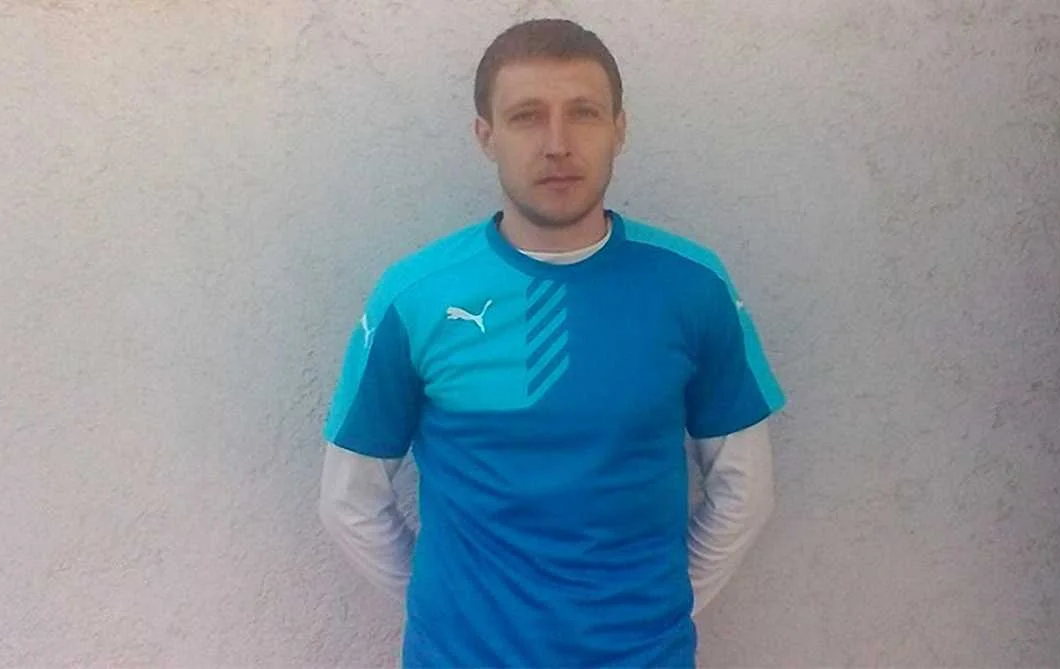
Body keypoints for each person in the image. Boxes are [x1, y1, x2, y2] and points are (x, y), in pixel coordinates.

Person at [318, 18, 786, 668]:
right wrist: (453, 608)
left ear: (619, 128)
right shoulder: (415, 296)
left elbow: (744, 489)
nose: (558, 144)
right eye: (527, 117)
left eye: (584, 113)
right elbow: (349, 500)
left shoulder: (693, 286)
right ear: (486, 135)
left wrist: (655, 610)